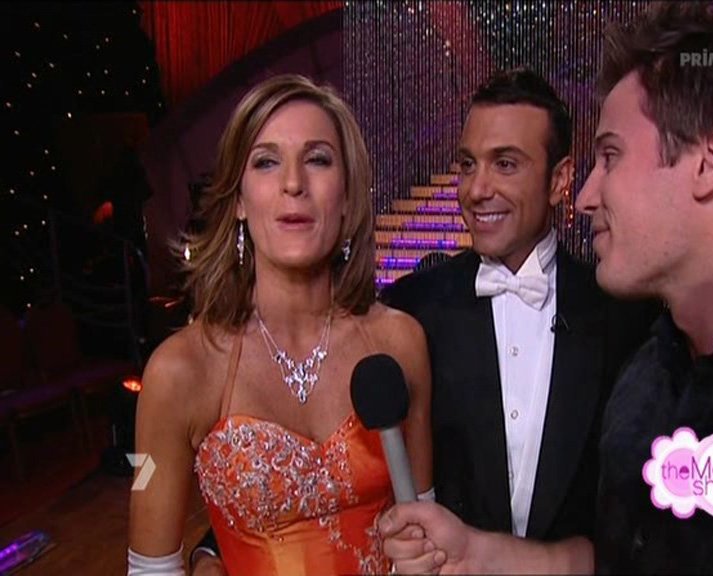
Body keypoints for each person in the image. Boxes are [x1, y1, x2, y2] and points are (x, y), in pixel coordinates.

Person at [379, 2, 713, 574]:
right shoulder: (646, 379)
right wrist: (481, 554)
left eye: (611, 156)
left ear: (712, 160)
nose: (586, 197)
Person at [191, 66, 658, 574]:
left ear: (560, 179)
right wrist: (213, 552)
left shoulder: (628, 320)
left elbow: (647, 525)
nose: (477, 189)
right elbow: (306, 468)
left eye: (505, 164)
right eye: (467, 164)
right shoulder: (409, 312)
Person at [127, 73, 433, 576]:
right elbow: (151, 570)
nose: (294, 183)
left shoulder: (400, 342)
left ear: (348, 195)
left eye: (318, 159)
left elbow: (427, 530)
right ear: (239, 200)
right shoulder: (178, 371)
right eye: (266, 162)